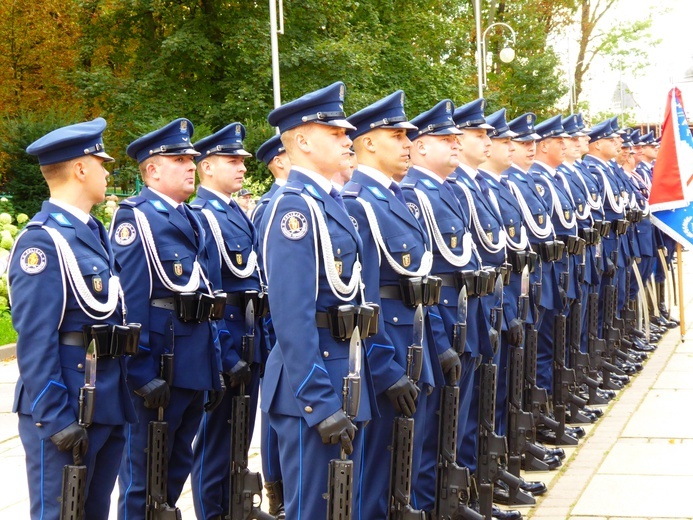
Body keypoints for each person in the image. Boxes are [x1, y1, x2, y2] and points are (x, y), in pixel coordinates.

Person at [258, 81, 375, 519]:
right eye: (336, 133)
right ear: (303, 141)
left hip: (345, 373)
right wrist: (318, 402)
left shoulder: (328, 202)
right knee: (316, 509)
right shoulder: (294, 209)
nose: (348, 139)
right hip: (313, 387)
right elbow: (292, 318)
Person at [9, 118, 137, 520]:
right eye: (102, 162)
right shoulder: (42, 240)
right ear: (81, 168)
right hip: (66, 402)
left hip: (104, 398)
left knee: (94, 511)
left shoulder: (91, 232)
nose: (107, 171)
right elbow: (34, 337)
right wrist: (54, 414)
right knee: (61, 513)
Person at [112, 118, 226, 520]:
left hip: (192, 362)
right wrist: (140, 374)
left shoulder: (191, 218)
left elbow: (206, 295)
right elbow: (131, 300)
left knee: (175, 471)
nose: (191, 165)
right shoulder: (136, 218)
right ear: (153, 169)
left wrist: (215, 367)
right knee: (144, 478)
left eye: (192, 158)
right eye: (179, 158)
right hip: (160, 363)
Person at [341, 90, 435, 517]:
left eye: (408, 135)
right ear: (369, 142)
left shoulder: (397, 198)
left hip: (410, 342)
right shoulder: (357, 201)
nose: (407, 143)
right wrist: (382, 366)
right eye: (396, 135)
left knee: (404, 463)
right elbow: (364, 296)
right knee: (375, 474)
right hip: (386, 355)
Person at [188, 122, 269, 520]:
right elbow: (210, 291)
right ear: (206, 167)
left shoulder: (236, 211)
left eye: (241, 160)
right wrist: (222, 354)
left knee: (240, 435)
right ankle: (213, 513)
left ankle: (234, 508)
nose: (240, 167)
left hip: (249, 337)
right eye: (231, 160)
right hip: (227, 342)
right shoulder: (203, 214)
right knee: (217, 440)